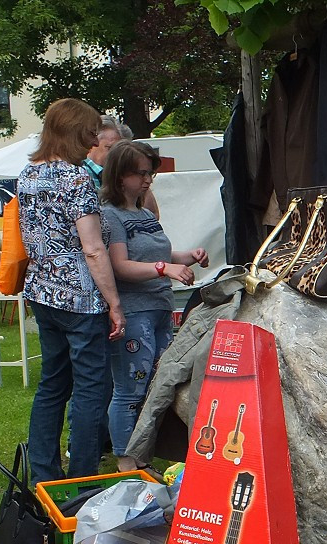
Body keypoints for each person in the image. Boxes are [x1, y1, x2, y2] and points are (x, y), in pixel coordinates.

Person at [19, 98, 125, 483]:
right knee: (90, 389)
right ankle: (81, 477)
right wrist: (114, 303)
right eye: (92, 130)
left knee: (52, 383)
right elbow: (93, 248)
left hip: (42, 292)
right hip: (80, 298)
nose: (95, 138)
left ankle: (43, 474)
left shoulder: (27, 174)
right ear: (76, 132)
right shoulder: (77, 178)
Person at [101, 141, 208, 472]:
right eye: (141, 173)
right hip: (134, 312)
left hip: (159, 308)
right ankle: (125, 460)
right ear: (120, 177)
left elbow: (156, 254)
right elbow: (119, 265)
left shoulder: (145, 215)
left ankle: (145, 453)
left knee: (158, 384)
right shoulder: (110, 216)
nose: (149, 179)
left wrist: (186, 256)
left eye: (151, 172)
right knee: (131, 388)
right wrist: (165, 269)